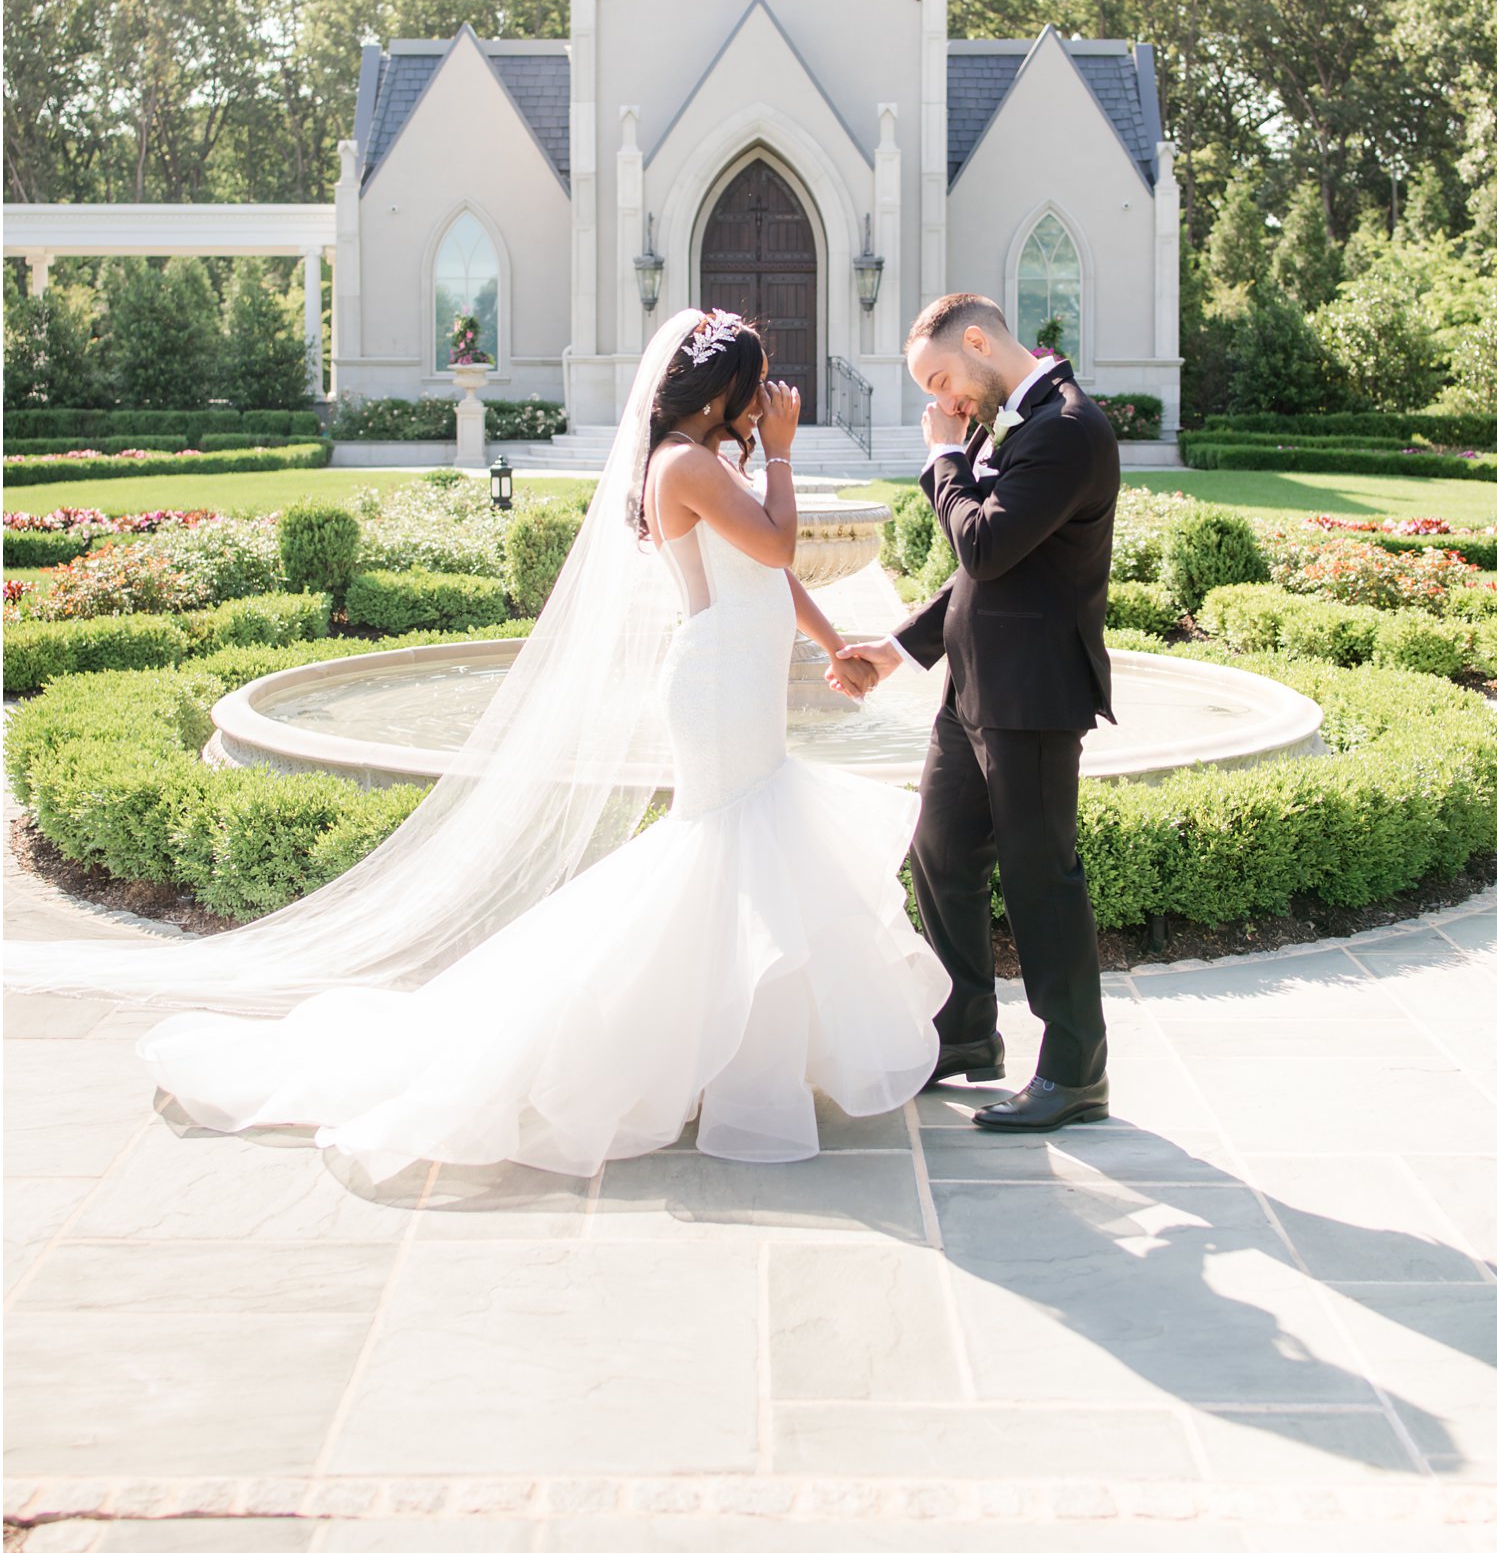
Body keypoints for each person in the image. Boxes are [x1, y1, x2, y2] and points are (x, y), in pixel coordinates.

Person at [7, 307, 949, 1174]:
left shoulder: (716, 461)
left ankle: (732, 1062)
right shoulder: (682, 464)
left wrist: (838, 646)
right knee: (724, 855)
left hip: (740, 684)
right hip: (713, 690)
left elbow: (770, 572)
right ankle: (647, 1055)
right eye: (760, 383)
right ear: (722, 392)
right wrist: (782, 453)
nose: (772, 395)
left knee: (745, 858)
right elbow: (782, 544)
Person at [838, 292, 1119, 1133]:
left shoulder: (1068, 428)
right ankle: (965, 1028)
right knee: (940, 850)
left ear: (977, 341)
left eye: (941, 378)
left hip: (1033, 695)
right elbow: (980, 573)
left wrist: (943, 459)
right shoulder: (1016, 427)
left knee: (1042, 875)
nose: (942, 401)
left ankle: (1076, 1068)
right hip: (973, 690)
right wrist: (898, 648)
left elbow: (984, 543)